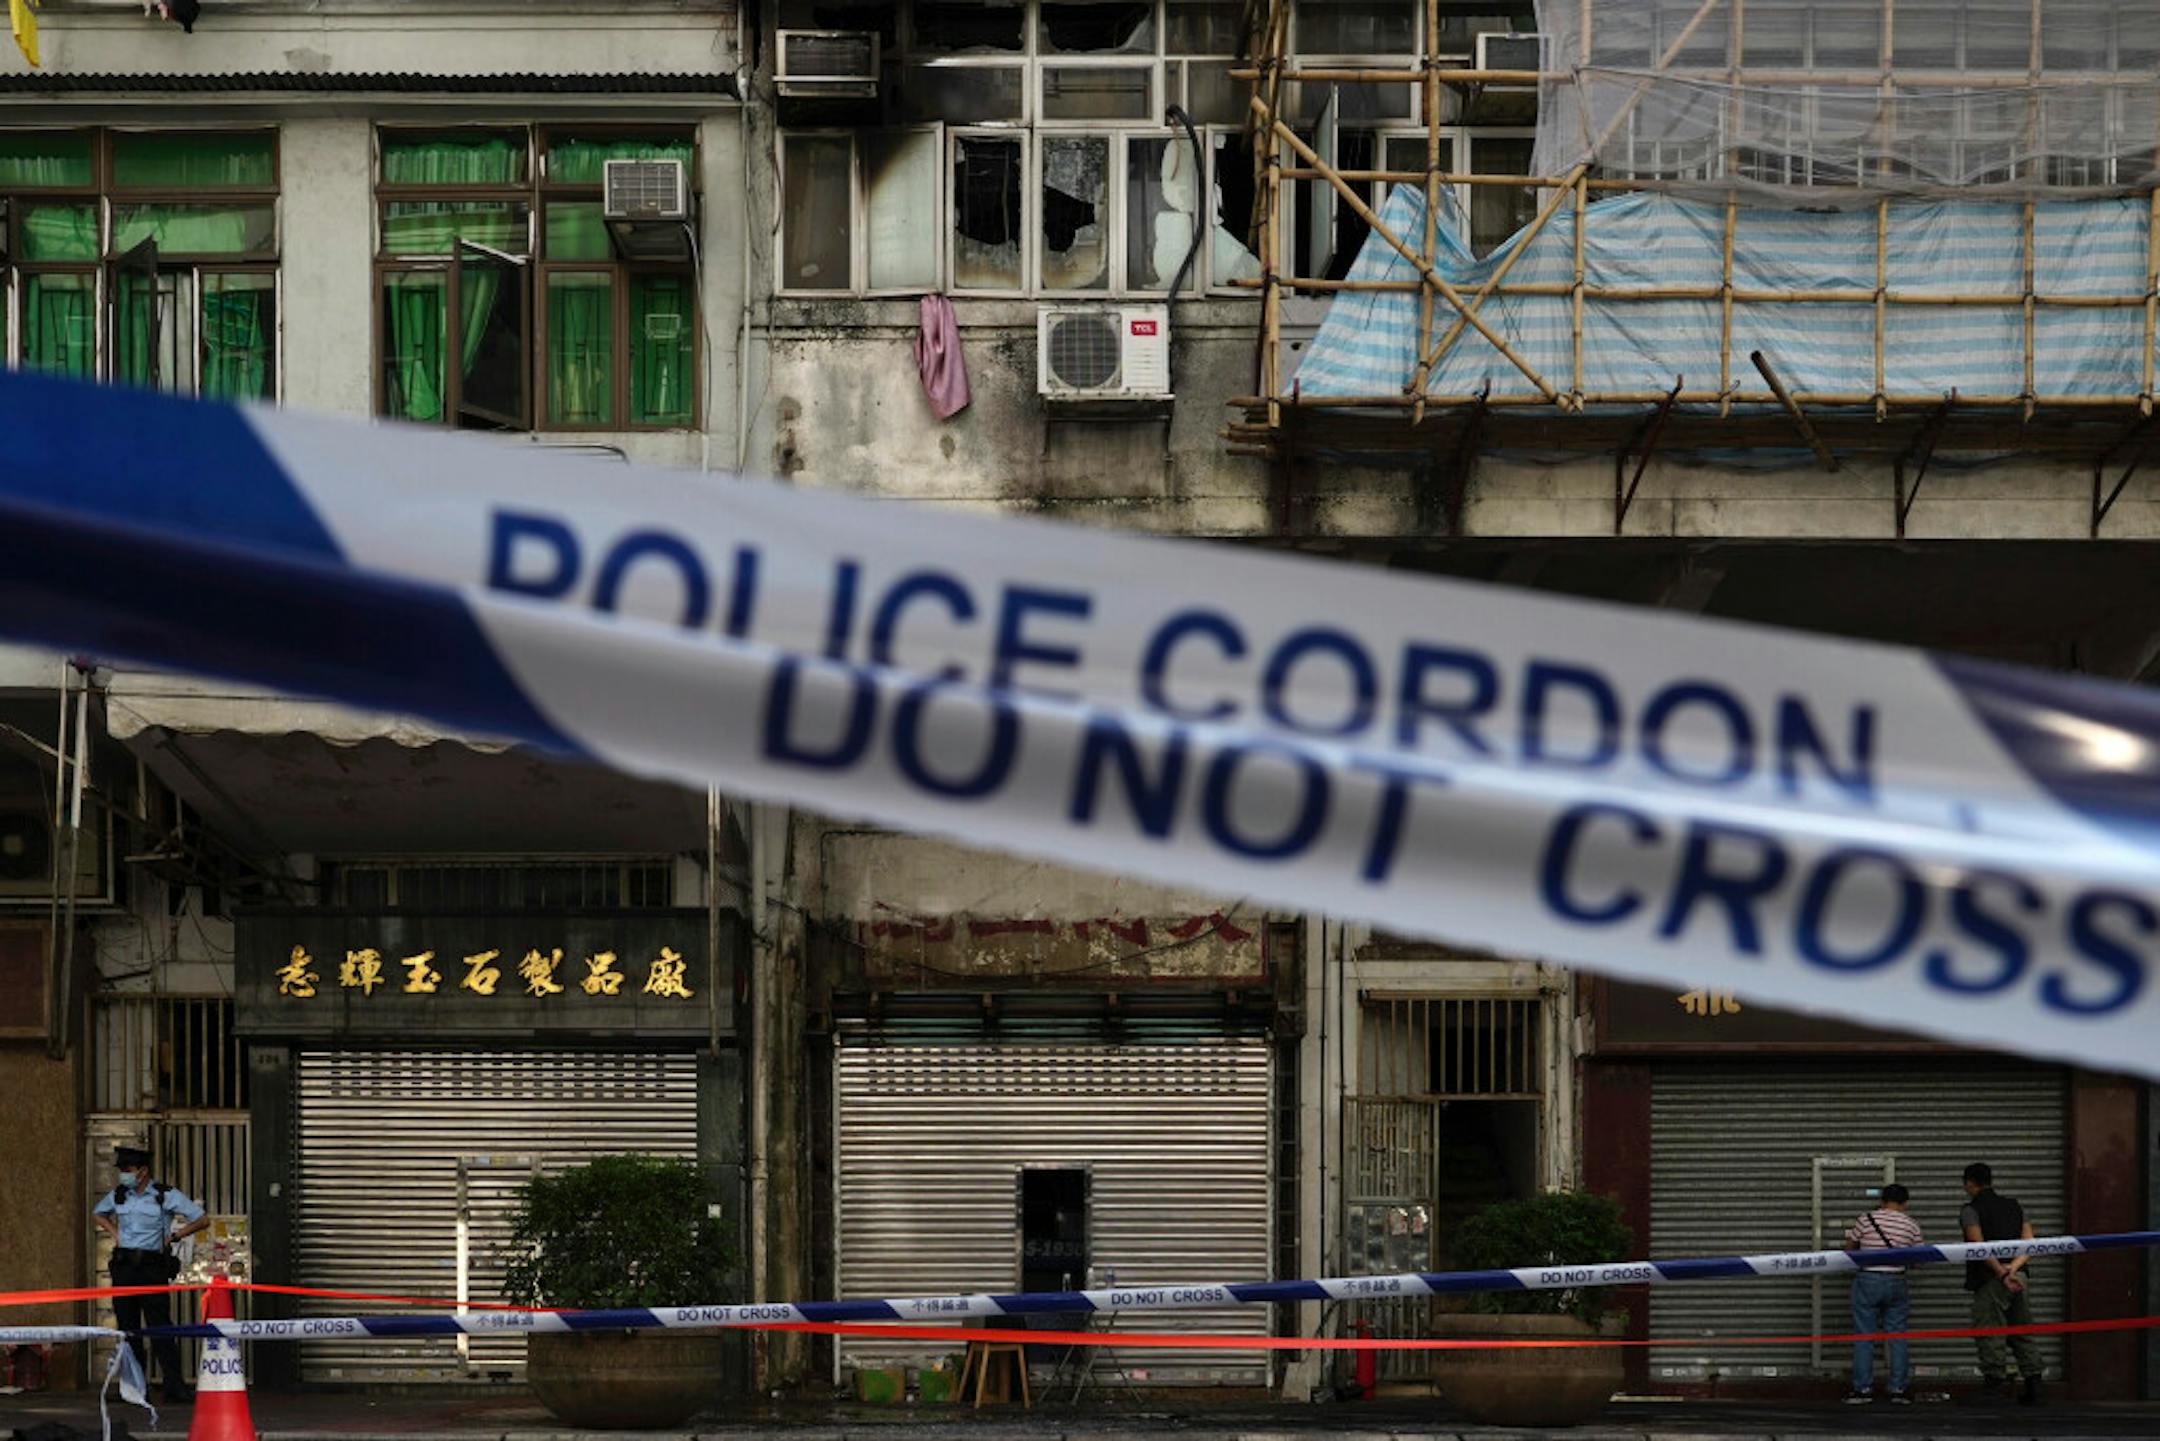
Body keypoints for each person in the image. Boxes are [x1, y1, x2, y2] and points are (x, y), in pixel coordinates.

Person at [91, 1144, 209, 1404]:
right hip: (124, 1267)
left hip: (151, 1267)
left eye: (128, 1169)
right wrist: (115, 1233)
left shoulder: (164, 1194)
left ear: (143, 1171)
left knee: (160, 1326)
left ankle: (174, 1385)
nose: (123, 1174)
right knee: (127, 1328)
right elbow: (98, 1213)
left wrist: (175, 1236)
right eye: (121, 1169)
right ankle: (132, 1387)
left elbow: (202, 1219)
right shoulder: (120, 1195)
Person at [1960, 1161, 2043, 1405]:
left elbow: (1978, 1245)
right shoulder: (2015, 1206)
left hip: (1991, 1279)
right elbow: (2030, 1242)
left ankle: (1994, 1386)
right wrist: (2014, 1269)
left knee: (1990, 1329)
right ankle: (2034, 1384)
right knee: (2022, 1329)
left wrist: (2001, 1273)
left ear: (1969, 1184)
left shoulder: (1970, 1210)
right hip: (2020, 1276)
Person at [1842, 1182, 1923, 1405]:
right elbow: (1918, 1260)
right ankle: (1897, 1389)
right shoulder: (1911, 1225)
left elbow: (1849, 1249)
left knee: (1864, 1336)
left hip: (1868, 1280)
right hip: (1897, 1280)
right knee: (1897, 1336)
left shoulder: (1865, 1219)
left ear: (1882, 1201)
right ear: (1905, 1203)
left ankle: (1863, 1390)